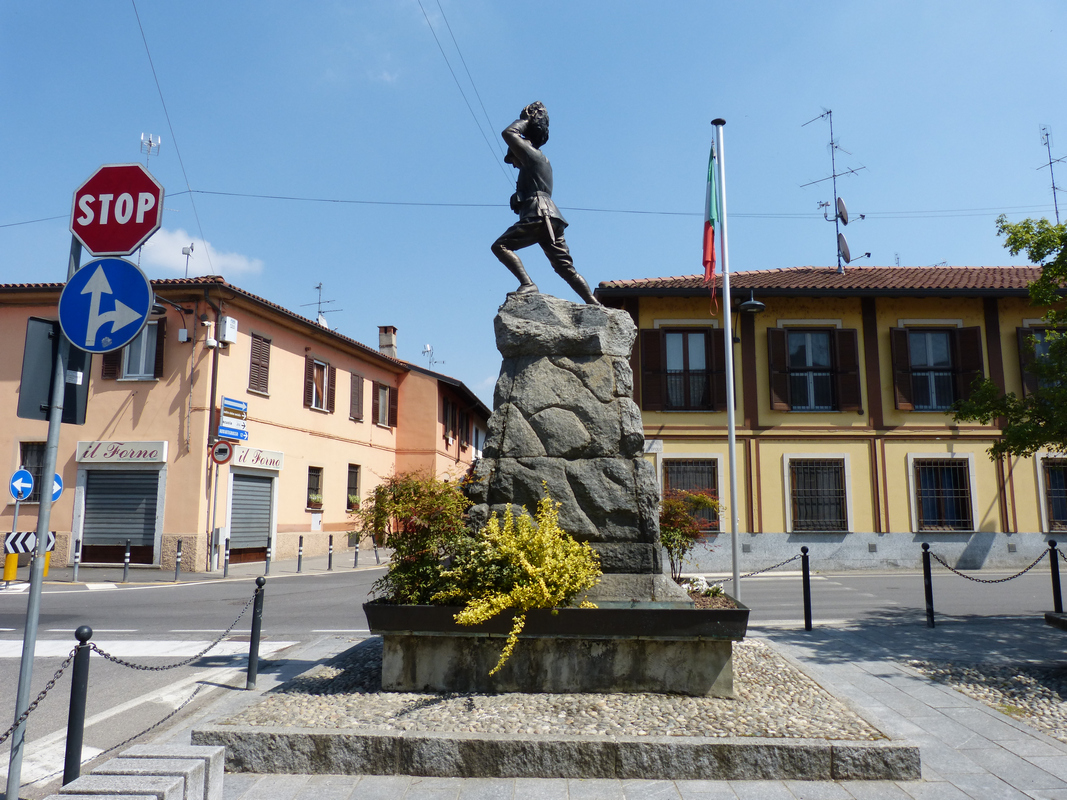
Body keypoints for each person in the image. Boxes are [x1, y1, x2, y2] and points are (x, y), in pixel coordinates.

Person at [491, 102, 601, 305]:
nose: (513, 163)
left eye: (512, 157)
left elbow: (508, 133)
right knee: (565, 267)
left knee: (500, 246)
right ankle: (593, 302)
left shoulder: (533, 156)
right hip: (552, 218)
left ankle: (528, 284)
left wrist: (525, 120)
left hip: (539, 215)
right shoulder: (539, 163)